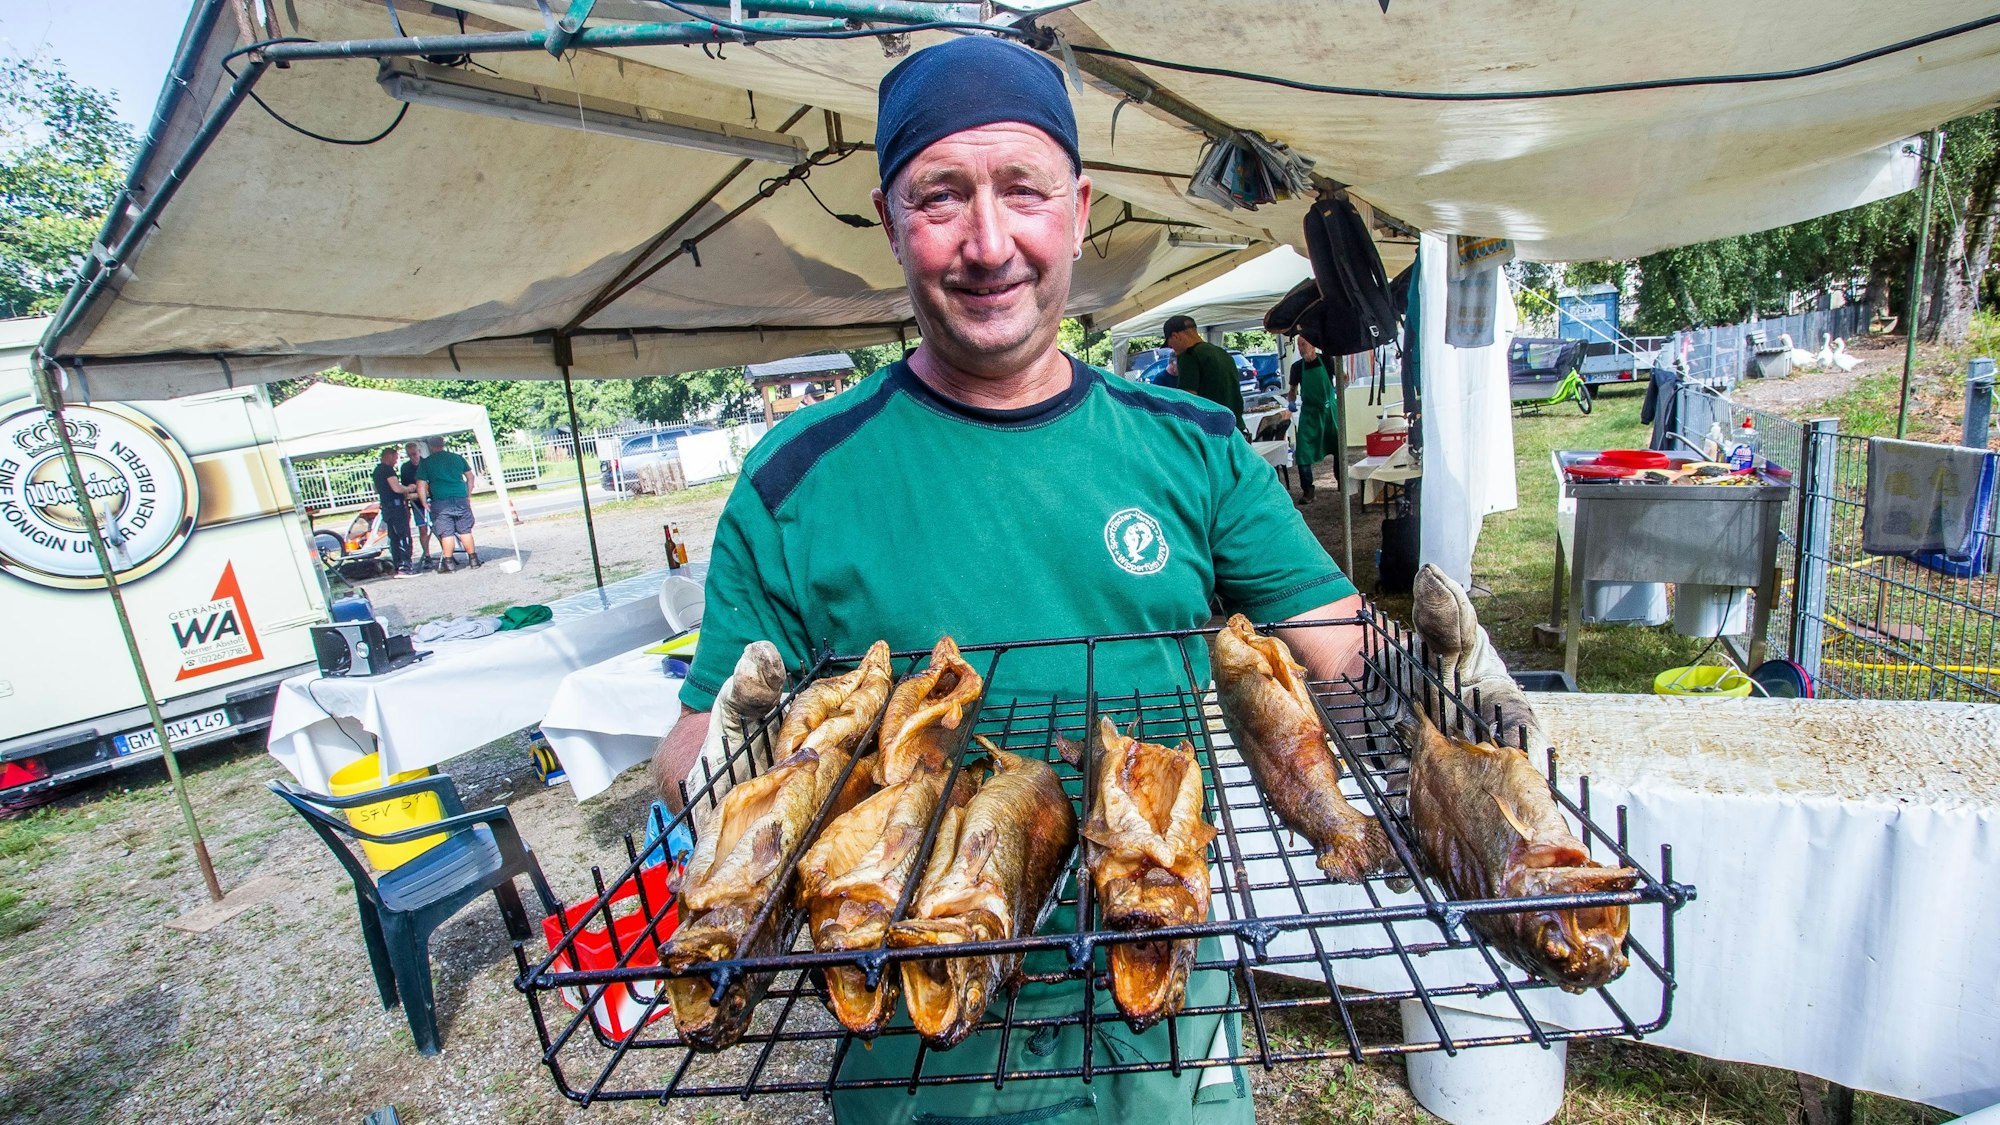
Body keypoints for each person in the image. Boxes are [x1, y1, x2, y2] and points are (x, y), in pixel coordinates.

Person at [651, 38, 1365, 1125]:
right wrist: (744, 751)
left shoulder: (1193, 444)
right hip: (913, 1025)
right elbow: (687, 765)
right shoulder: (796, 478)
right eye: (940, 197)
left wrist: (1450, 673)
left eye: (1021, 190)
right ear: (890, 221)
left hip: (1155, 992)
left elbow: (1335, 649)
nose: (989, 244)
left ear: (1076, 209)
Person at [1163, 313, 1244, 429]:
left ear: (1176, 336)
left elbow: (1188, 399)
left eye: (1171, 346)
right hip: (1236, 427)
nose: (1173, 350)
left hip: (1213, 431)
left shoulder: (1189, 355)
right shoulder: (1222, 353)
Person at [415, 435, 480, 572]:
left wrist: (424, 503)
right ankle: (473, 559)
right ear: (443, 444)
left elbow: (420, 485)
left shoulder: (426, 463)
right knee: (465, 530)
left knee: (446, 533)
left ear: (430, 447)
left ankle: (449, 563)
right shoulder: (457, 458)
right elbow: (470, 477)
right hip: (460, 497)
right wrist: (468, 494)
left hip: (440, 500)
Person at [1288, 336, 1339, 505]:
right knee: (1302, 452)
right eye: (1299, 345)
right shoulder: (1296, 368)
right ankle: (1308, 491)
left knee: (1338, 446)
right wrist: (1291, 402)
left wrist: (1342, 383)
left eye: (1304, 344)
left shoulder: (1327, 360)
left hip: (1328, 412)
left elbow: (1341, 378)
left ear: (1313, 345)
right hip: (1309, 413)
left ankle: (1342, 483)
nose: (1301, 348)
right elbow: (1293, 389)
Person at [370, 446, 414, 575]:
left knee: (393, 537)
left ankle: (397, 565)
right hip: (396, 507)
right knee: (403, 535)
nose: (396, 461)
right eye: (395, 458)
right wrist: (409, 488)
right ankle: (405, 566)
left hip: (387, 507)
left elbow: (377, 490)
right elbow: (396, 488)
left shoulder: (377, 470)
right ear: (389, 456)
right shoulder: (388, 470)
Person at [402, 439, 434, 570]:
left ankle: (446, 552)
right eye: (410, 455)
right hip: (416, 502)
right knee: (422, 528)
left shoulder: (427, 463)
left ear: (419, 452)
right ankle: (427, 555)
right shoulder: (405, 467)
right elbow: (405, 486)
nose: (413, 457)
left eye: (414, 454)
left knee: (438, 526)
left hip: (432, 498)